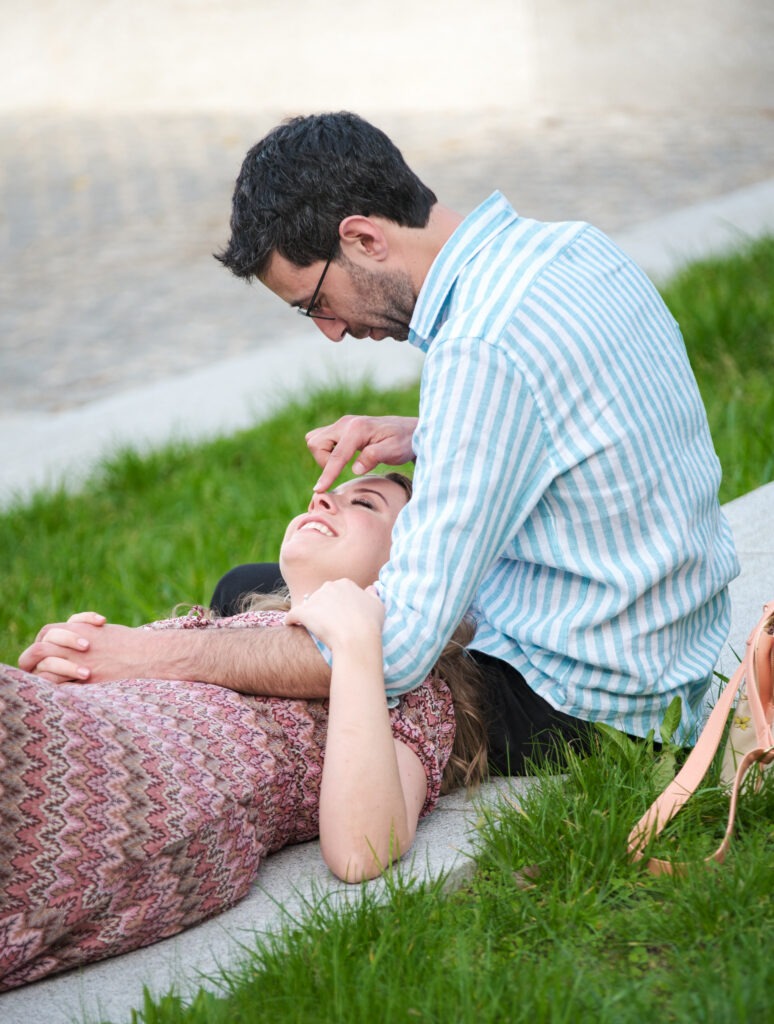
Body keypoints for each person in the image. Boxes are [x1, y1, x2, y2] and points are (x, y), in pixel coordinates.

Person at [20, 111, 739, 772]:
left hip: (594, 700)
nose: (330, 332)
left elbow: (390, 654)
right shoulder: (569, 249)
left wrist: (149, 655)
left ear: (363, 238)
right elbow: (582, 409)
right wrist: (426, 434)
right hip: (665, 640)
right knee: (251, 591)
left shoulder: (480, 350)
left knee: (247, 605)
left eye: (315, 303)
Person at [1, 474, 486, 991]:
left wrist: (356, 641)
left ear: (414, 564)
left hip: (115, 798)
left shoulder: (406, 690)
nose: (322, 496)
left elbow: (362, 849)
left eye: (363, 502)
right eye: (328, 493)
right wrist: (58, 666)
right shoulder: (219, 630)